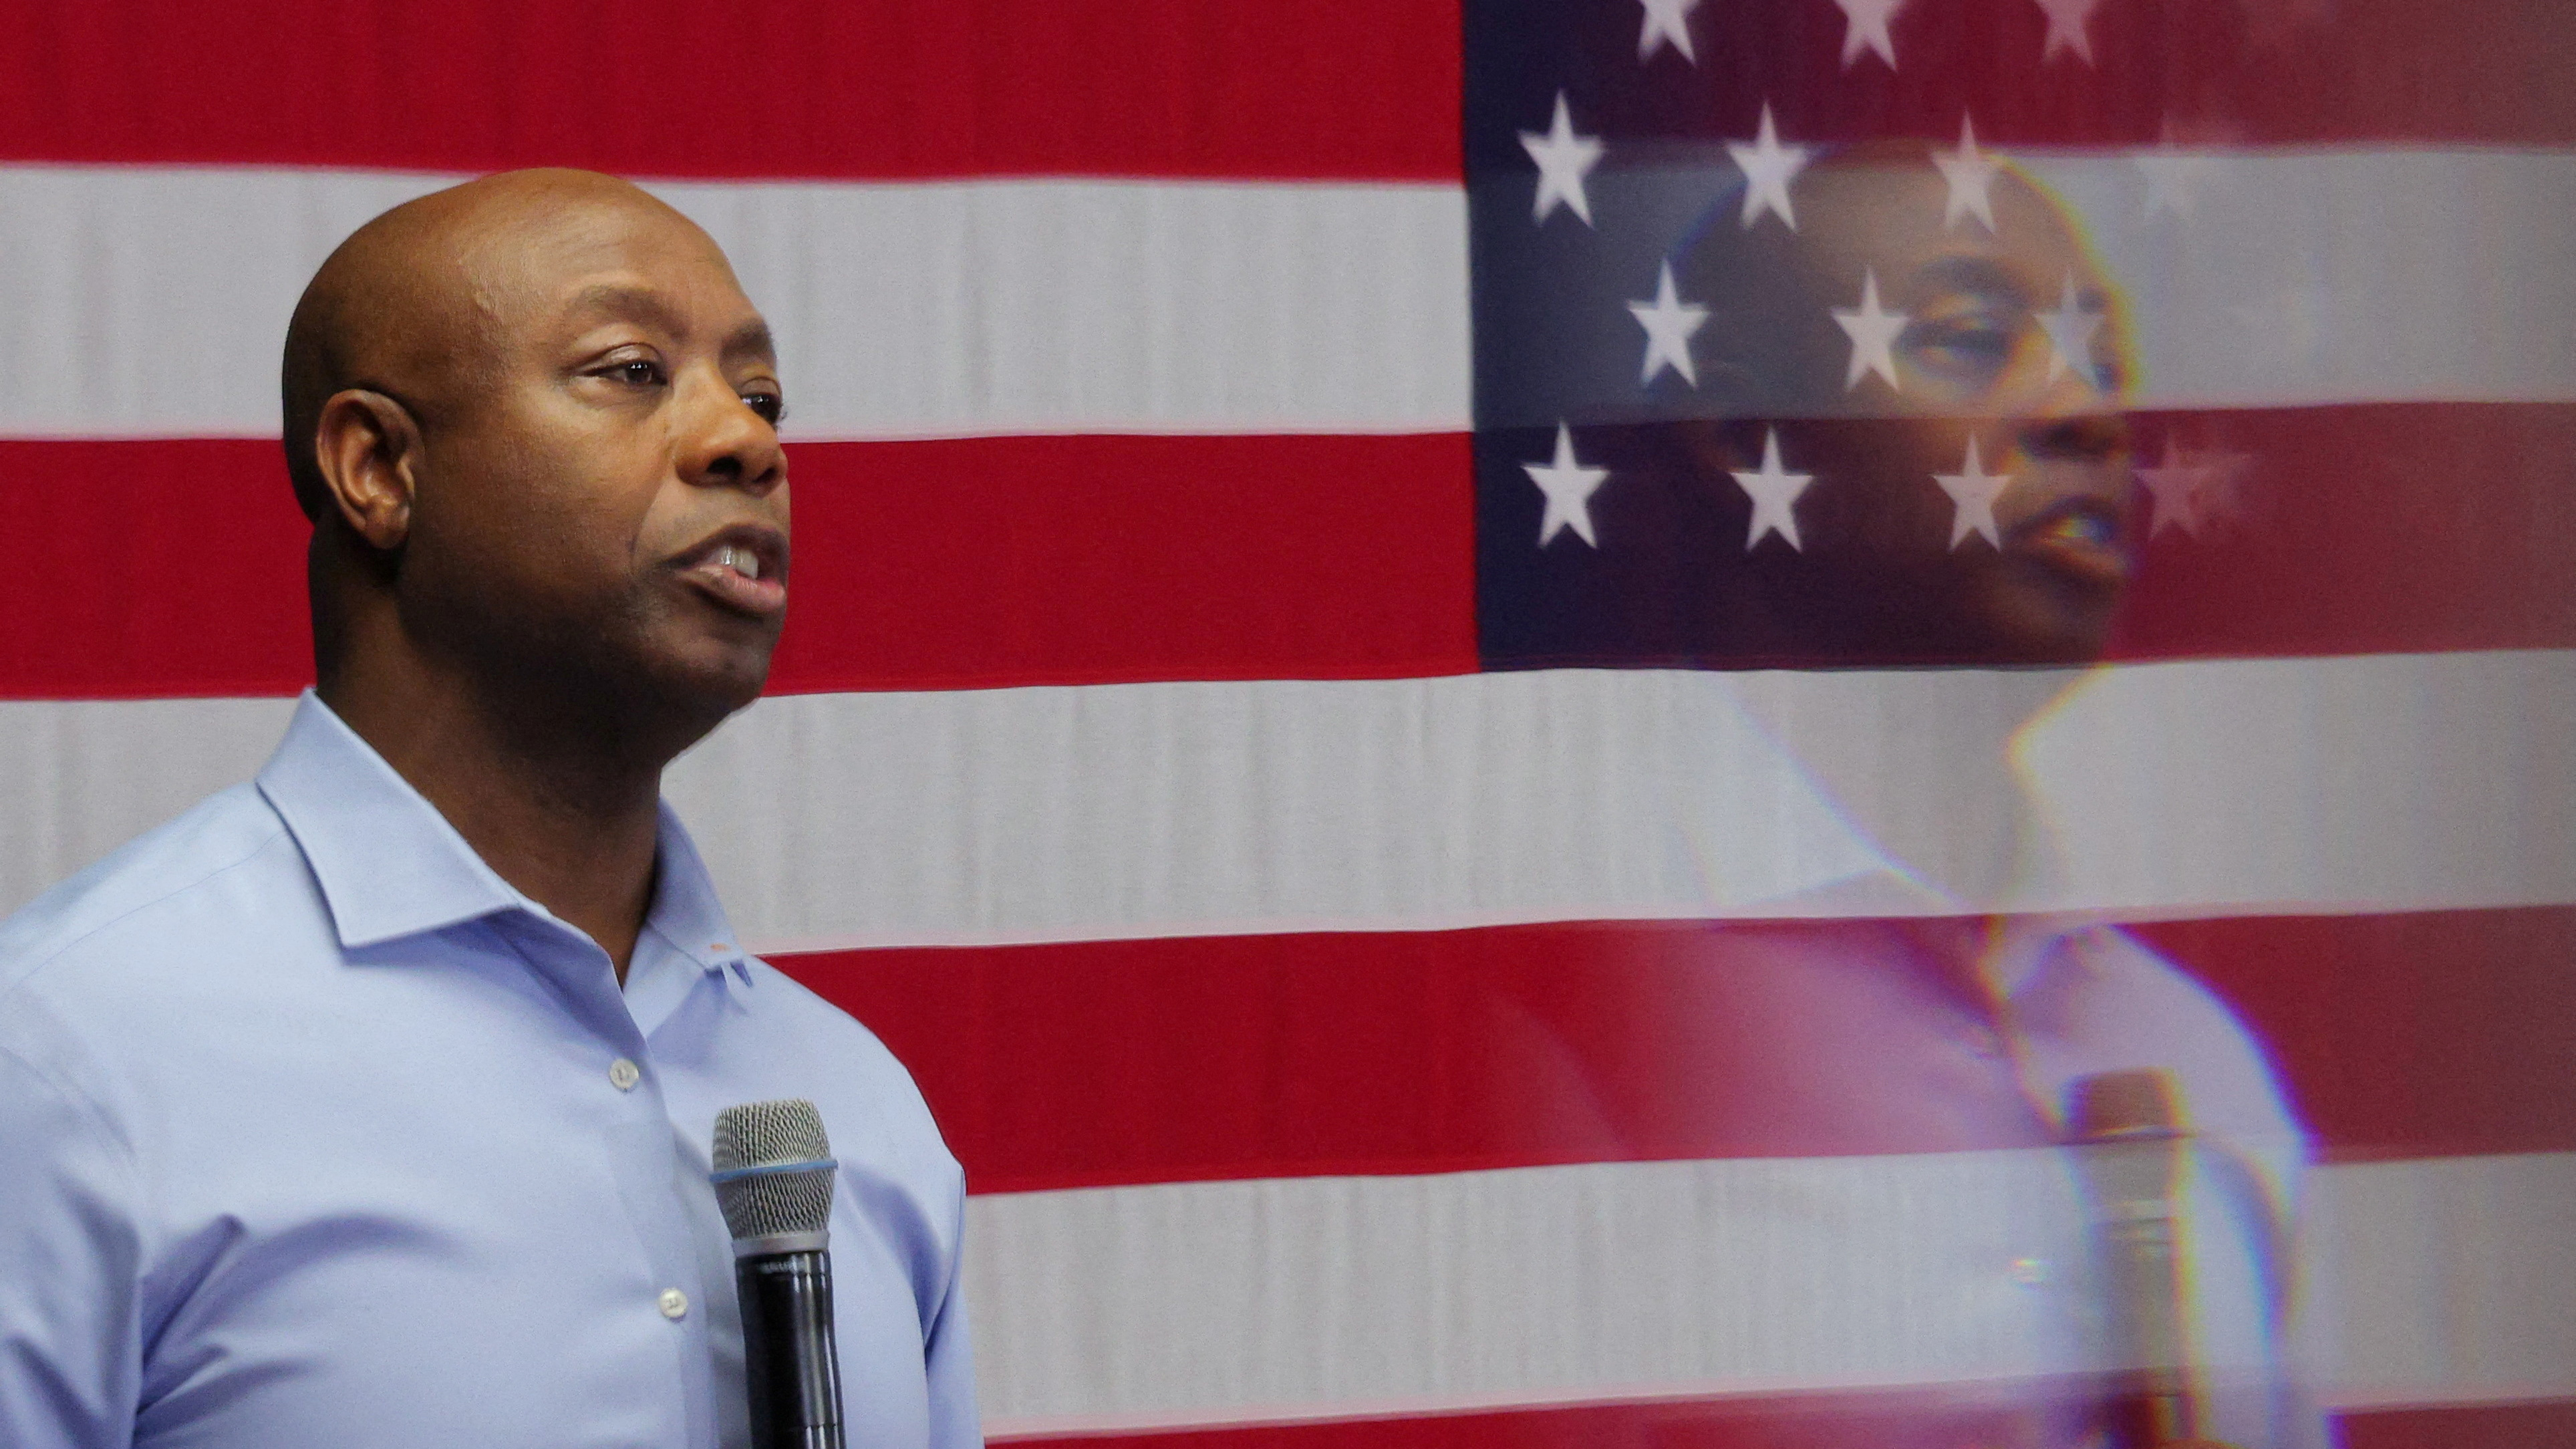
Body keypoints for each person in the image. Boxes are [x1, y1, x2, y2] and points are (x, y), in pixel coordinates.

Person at [0, 170, 978, 1448]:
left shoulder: (855, 1108)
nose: (751, 444)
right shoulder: (67, 1065)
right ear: (378, 468)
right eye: (632, 369)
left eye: (762, 395)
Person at [1484, 145, 2317, 1446]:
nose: (2084, 411)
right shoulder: (1541, 1006)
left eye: (2102, 359)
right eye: (1970, 338)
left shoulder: (2206, 1069)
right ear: (1745, 439)